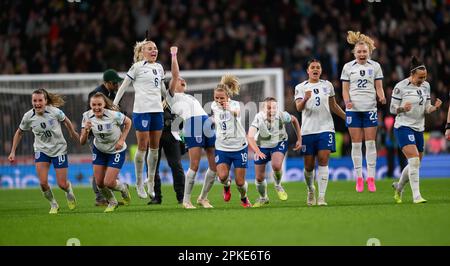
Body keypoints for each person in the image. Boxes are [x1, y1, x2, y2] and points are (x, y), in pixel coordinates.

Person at [8, 89, 79, 214]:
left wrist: (72, 132)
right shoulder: (28, 116)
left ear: (46, 101)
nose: (37, 103)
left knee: (62, 184)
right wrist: (13, 151)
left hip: (59, 149)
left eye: (40, 100)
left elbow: (66, 120)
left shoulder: (54, 111)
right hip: (41, 150)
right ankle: (53, 204)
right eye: (34, 100)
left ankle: (69, 191)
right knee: (42, 183)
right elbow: (19, 132)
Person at [164, 46, 217, 209]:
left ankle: (203, 197)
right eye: (179, 79)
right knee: (195, 164)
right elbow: (174, 74)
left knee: (214, 164)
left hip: (205, 122)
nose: (181, 79)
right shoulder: (171, 96)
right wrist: (174, 55)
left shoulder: (188, 97)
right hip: (192, 125)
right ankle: (186, 200)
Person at [113, 39, 165, 200]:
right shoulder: (136, 67)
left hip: (158, 111)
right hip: (142, 112)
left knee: (155, 149)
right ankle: (139, 183)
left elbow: (162, 88)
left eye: (155, 48)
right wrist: (115, 104)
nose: (154, 50)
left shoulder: (159, 67)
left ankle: (150, 183)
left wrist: (170, 100)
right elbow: (123, 86)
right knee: (143, 146)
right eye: (150, 48)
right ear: (142, 52)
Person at [390, 56, 442, 204]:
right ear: (412, 74)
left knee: (416, 163)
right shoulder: (400, 86)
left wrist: (435, 108)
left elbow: (426, 108)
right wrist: (402, 108)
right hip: (403, 126)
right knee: (413, 160)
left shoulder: (426, 86)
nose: (423, 80)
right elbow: (392, 108)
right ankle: (416, 196)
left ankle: (399, 188)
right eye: (420, 77)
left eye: (425, 77)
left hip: (419, 128)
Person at [295, 59, 346, 206]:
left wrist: (347, 117)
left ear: (321, 70)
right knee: (309, 166)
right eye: (312, 67)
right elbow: (299, 108)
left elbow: (333, 105)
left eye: (318, 67)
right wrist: (305, 99)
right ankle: (311, 190)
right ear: (308, 70)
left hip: (326, 128)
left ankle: (322, 197)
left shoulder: (327, 85)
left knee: (324, 160)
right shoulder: (301, 87)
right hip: (308, 130)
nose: (315, 69)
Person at [340, 31, 386, 193]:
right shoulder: (348, 67)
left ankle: (371, 178)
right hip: (353, 110)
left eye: (364, 51)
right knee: (356, 144)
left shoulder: (375, 67)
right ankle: (359, 178)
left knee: (371, 143)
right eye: (359, 51)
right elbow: (345, 90)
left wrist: (382, 97)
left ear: (369, 52)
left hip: (370, 109)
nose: (361, 54)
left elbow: (379, 87)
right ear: (354, 53)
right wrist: (347, 102)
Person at [80, 92, 132, 212]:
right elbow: (82, 141)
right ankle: (112, 202)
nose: (97, 107)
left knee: (108, 182)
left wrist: (122, 139)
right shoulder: (87, 116)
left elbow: (128, 122)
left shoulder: (114, 115)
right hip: (99, 150)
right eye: (94, 104)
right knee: (99, 183)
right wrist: (86, 131)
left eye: (99, 104)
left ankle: (124, 188)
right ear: (90, 104)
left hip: (116, 150)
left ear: (104, 104)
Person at [247, 97, 302, 207]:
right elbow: (250, 136)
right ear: (263, 108)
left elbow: (294, 120)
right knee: (259, 177)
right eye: (268, 108)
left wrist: (299, 139)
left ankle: (278, 185)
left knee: (276, 165)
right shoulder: (259, 117)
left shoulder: (282, 115)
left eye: (274, 108)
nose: (271, 110)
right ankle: (263, 198)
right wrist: (257, 151)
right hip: (261, 146)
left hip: (279, 142)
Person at [212, 74, 252, 208]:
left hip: (239, 147)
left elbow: (237, 113)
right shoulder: (213, 106)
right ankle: (226, 186)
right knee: (222, 177)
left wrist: (229, 109)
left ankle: (244, 198)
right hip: (222, 147)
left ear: (228, 97)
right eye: (216, 98)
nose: (219, 100)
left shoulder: (235, 105)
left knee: (240, 183)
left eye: (221, 98)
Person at [87, 69, 124, 206]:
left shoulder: (113, 93)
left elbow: (120, 111)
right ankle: (100, 197)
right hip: (96, 136)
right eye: (115, 83)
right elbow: (89, 114)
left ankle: (109, 195)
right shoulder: (96, 95)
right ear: (107, 83)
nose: (118, 85)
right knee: (100, 168)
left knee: (109, 167)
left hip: (111, 135)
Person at [146, 100, 186, 205]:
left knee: (176, 165)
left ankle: (181, 196)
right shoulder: (148, 98)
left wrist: (172, 124)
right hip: (153, 135)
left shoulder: (173, 99)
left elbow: (182, 119)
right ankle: (156, 196)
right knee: (152, 166)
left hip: (171, 134)